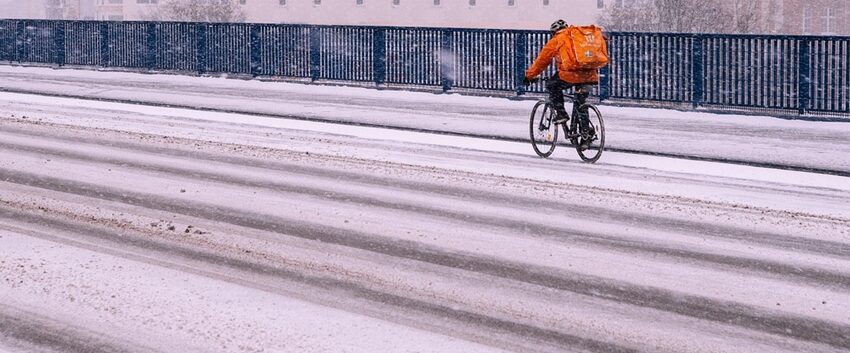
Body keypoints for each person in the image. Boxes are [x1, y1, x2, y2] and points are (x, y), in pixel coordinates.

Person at [523, 19, 600, 128]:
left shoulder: (557, 39)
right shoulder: (578, 37)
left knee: (552, 85)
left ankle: (561, 113)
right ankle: (585, 135)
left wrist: (529, 76)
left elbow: (542, 61)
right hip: (590, 75)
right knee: (580, 102)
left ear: (553, 32)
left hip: (571, 74)